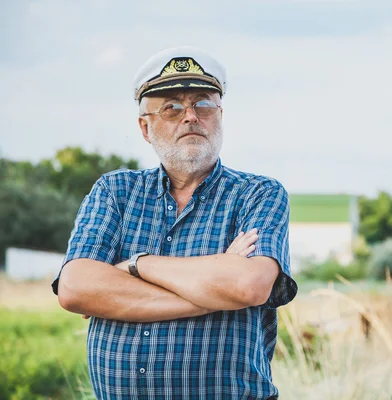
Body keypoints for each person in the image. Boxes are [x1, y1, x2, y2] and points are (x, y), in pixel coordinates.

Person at [52, 46, 298, 400]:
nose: (191, 117)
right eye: (172, 108)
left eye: (203, 104)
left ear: (220, 115)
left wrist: (135, 265)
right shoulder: (114, 192)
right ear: (145, 127)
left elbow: (248, 287)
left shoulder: (258, 194)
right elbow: (74, 288)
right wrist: (212, 291)